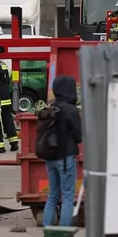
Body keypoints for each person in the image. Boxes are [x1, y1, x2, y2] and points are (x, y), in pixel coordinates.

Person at [41, 75, 83, 228]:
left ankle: (48, 230)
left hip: (50, 158)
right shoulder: (70, 110)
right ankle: (64, 233)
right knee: (67, 196)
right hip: (65, 158)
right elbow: (79, 136)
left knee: (52, 195)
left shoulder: (50, 108)